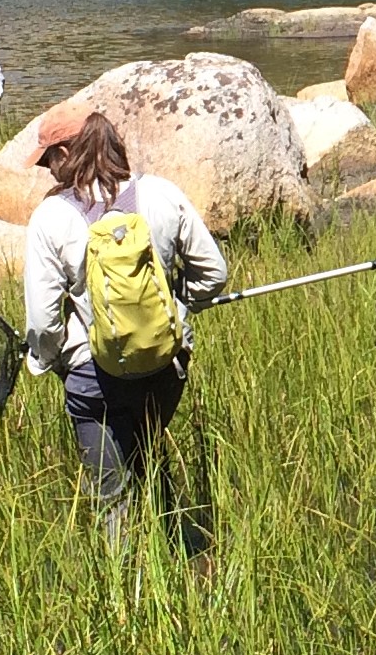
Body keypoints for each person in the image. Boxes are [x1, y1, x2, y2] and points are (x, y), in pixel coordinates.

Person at [23, 108, 227, 536]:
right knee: (152, 463)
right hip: (163, 371)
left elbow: (43, 324)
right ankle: (188, 562)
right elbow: (214, 274)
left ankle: (126, 596)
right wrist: (180, 308)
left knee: (111, 496)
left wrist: (42, 362)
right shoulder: (160, 193)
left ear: (64, 154)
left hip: (92, 381)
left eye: (47, 162)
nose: (47, 172)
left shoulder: (51, 217)